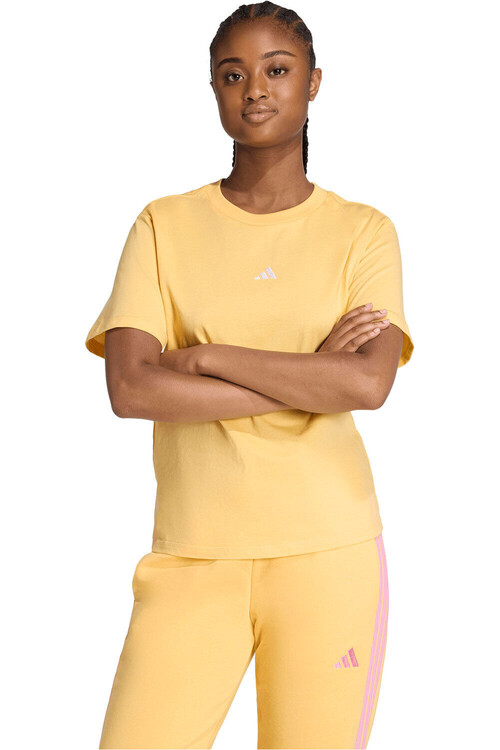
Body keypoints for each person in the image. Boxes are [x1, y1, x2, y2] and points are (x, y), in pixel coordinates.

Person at [85, 3, 414, 748]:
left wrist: (205, 356)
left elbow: (367, 385)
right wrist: (310, 374)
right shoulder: (162, 225)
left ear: (313, 83)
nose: (255, 89)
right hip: (193, 553)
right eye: (232, 75)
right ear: (214, 89)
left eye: (277, 69)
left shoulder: (364, 232)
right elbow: (132, 389)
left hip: (329, 552)